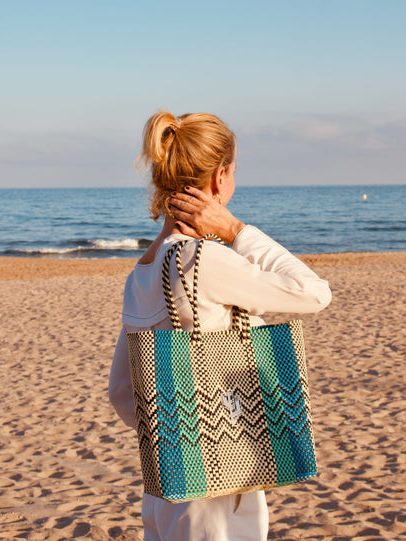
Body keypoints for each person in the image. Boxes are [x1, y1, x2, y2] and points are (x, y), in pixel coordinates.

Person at [109, 111, 332, 541]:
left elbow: (121, 391)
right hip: (218, 485)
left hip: (166, 485)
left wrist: (176, 439)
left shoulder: (142, 270)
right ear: (220, 178)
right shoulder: (207, 260)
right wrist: (235, 230)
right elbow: (314, 292)